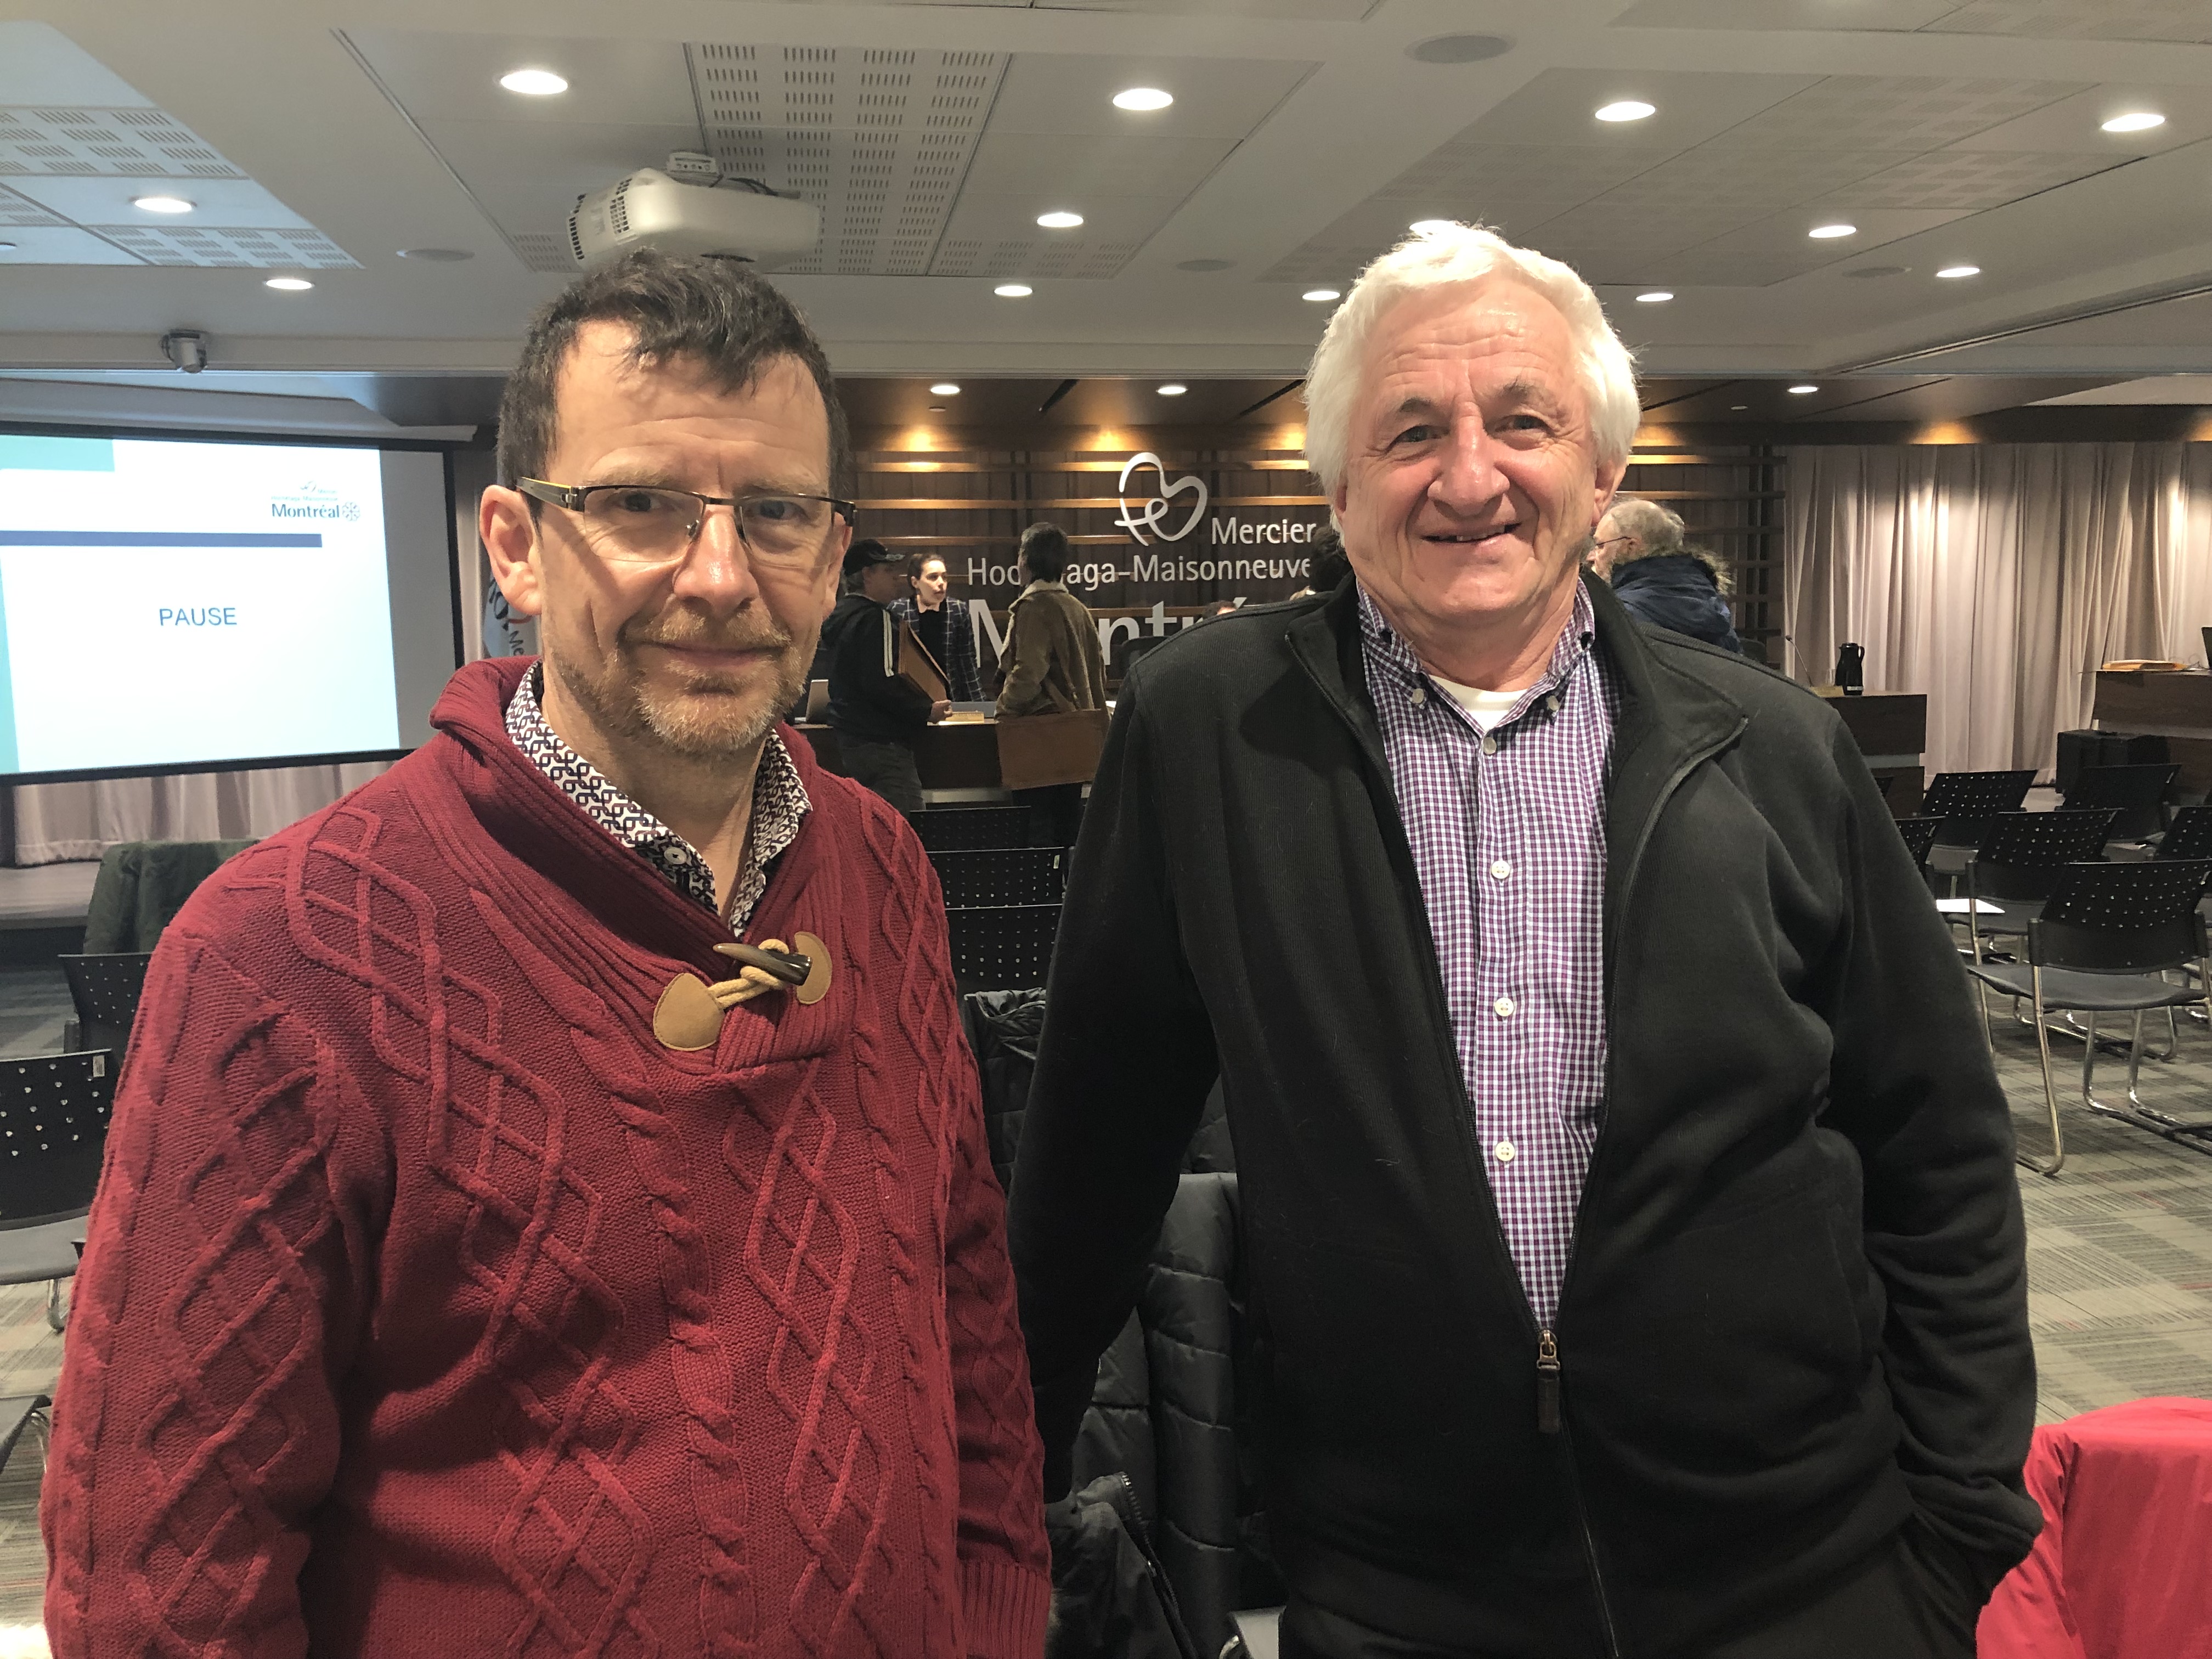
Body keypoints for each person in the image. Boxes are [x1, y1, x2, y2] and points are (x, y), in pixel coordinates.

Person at [1007, 222, 2038, 1659]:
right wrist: (1000, 1487)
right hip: (1403, 1587)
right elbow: (1095, 1148)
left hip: (1809, 1571)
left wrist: (1962, 1521)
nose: (1471, 476)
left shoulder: (1777, 748)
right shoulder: (1204, 733)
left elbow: (1938, 1148)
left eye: (1523, 423)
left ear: (1602, 469)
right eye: (1411, 430)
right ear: (1339, 483)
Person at [43, 250, 1051, 1659]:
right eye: (641, 505)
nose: (721, 576)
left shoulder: (882, 866)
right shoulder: (281, 953)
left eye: (773, 513)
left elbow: (965, 1305)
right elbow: (168, 1591)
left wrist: (999, 1617)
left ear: (831, 557)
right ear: (515, 545)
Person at [820, 537, 950, 819]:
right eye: (887, 570)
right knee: (906, 828)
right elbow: (883, 682)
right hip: (883, 744)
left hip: (851, 740)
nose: (896, 577)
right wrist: (925, 710)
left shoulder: (838, 615)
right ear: (867, 574)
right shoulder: (876, 618)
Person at [995, 522, 1106, 848]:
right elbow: (1097, 673)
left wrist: (1004, 708)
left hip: (1038, 736)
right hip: (1073, 735)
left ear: (1026, 559)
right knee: (1068, 830)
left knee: (1036, 834)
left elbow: (1029, 672)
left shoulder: (1034, 607)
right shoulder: (1077, 608)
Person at [1593, 495, 1743, 652]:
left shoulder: (1621, 614)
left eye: (1600, 546)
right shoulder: (1709, 598)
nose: (1593, 556)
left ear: (1630, 546)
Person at [893, 551, 984, 702]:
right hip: (912, 698)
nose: (941, 582)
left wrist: (979, 704)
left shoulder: (957, 610)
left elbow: (967, 662)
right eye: (933, 577)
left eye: (944, 577)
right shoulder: (899, 610)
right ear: (915, 582)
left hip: (950, 696)